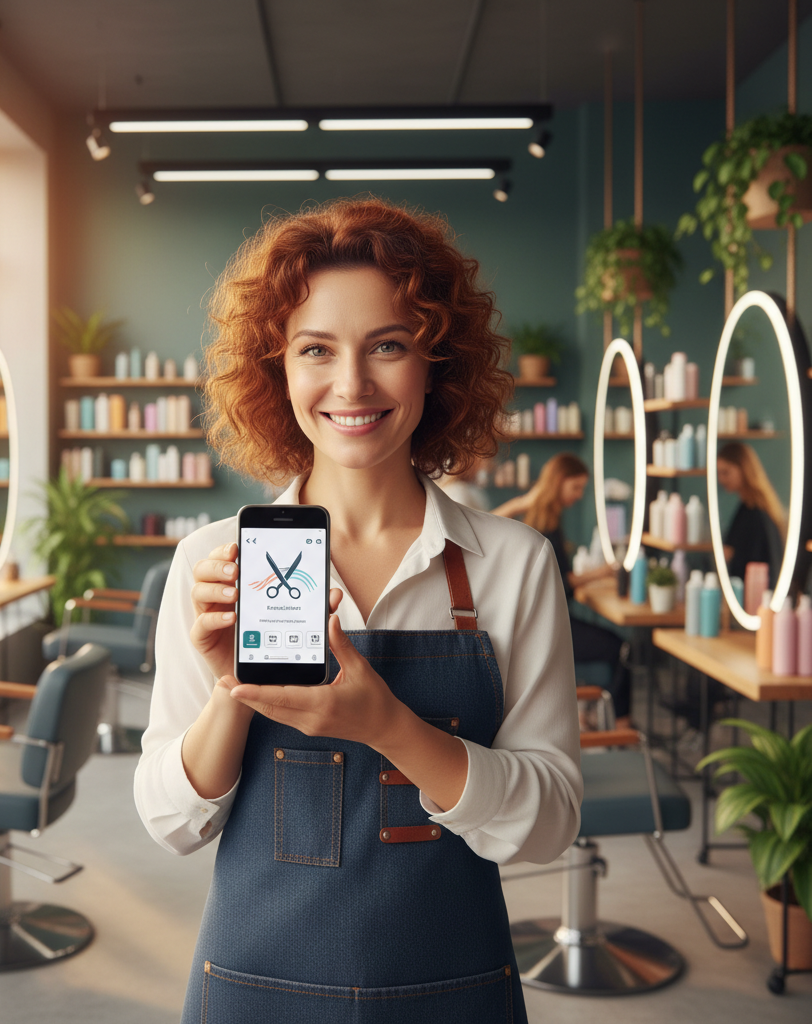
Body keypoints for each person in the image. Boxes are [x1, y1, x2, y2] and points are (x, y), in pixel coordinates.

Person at [134, 198, 581, 1023]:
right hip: (251, 989)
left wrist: (389, 726)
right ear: (278, 371)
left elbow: (552, 821)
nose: (351, 385)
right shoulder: (211, 563)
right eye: (315, 350)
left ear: (436, 363)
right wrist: (232, 688)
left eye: (388, 345)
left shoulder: (514, 566)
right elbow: (170, 820)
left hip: (456, 993)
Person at [493, 453, 633, 728]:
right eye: (576, 487)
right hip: (545, 627)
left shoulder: (547, 519)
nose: (579, 495)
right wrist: (602, 572)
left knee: (613, 644)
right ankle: (620, 725)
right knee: (621, 648)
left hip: (545, 621)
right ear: (558, 482)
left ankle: (602, 718)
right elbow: (563, 581)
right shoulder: (543, 522)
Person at [716, 441, 785, 588]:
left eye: (726, 472)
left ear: (743, 469)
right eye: (719, 473)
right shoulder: (748, 507)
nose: (721, 479)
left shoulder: (756, 513)